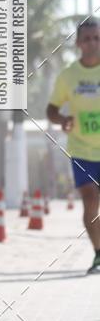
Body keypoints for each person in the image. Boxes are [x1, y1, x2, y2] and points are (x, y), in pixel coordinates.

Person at [47, 17, 100, 275]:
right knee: (90, 200)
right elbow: (51, 109)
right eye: (87, 39)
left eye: (97, 38)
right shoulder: (69, 76)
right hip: (82, 150)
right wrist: (63, 119)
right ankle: (99, 253)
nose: (92, 44)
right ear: (78, 43)